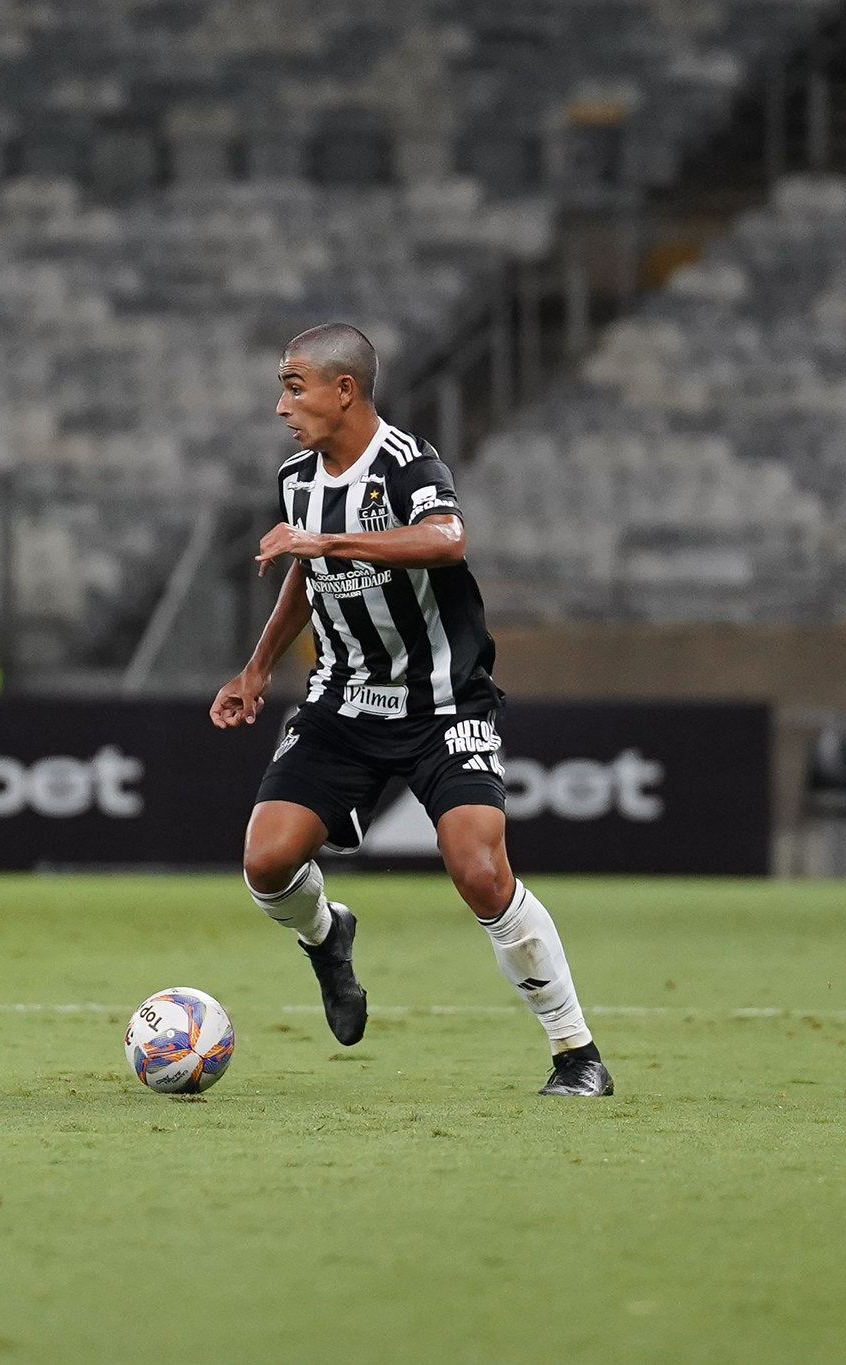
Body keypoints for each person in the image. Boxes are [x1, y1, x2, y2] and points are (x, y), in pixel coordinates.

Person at [209, 324, 612, 1097]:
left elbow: (447, 538)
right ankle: (328, 937)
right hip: (343, 701)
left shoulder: (405, 463)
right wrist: (256, 669)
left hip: (443, 703)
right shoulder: (298, 478)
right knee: (265, 863)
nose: (280, 405)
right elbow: (306, 574)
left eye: (294, 386)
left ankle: (577, 1053)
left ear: (344, 390)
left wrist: (329, 541)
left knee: (481, 870)